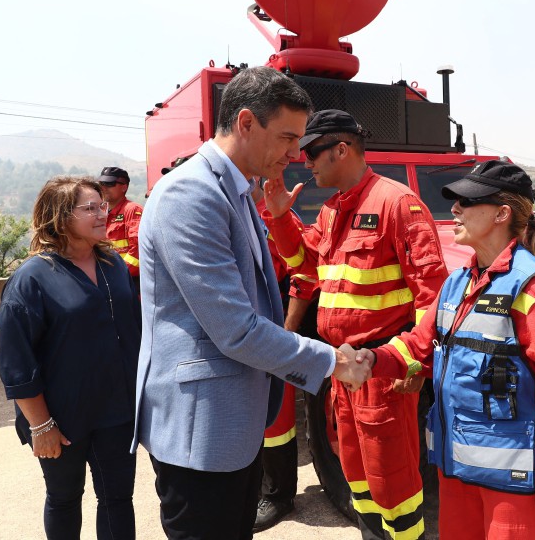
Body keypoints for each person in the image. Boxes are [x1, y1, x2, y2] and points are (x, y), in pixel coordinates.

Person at [132, 66, 371, 540]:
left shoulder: (237, 189)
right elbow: (236, 329)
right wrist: (331, 362)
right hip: (201, 432)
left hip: (234, 423)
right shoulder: (191, 195)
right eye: (286, 137)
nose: (294, 153)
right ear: (245, 122)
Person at [356, 160, 535, 540]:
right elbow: (417, 346)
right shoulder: (455, 285)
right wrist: (369, 360)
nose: (454, 209)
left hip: (514, 486)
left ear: (502, 214)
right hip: (456, 475)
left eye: (467, 202)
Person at [262, 109, 448, 540]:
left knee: (394, 485)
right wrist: (280, 217)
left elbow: (432, 298)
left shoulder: (398, 203)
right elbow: (305, 265)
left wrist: (417, 367)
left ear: (341, 150)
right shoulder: (330, 212)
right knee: (358, 480)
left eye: (311, 151)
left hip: (382, 371)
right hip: (343, 372)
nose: (304, 161)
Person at [0, 176, 142, 539]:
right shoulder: (32, 279)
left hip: (117, 413)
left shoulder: (114, 267)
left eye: (102, 205)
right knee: (64, 500)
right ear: (60, 218)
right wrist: (41, 424)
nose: (101, 214)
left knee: (117, 499)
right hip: (60, 419)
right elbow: (17, 363)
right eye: (89, 208)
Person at [250, 177, 317, 531]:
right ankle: (254, 488)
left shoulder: (273, 217)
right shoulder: (225, 212)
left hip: (272, 325)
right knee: (249, 415)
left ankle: (278, 496)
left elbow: (304, 274)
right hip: (236, 327)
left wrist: (287, 330)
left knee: (276, 419)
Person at [97, 166, 142, 292]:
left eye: (109, 183)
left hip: (129, 282)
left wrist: (120, 273)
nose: (104, 188)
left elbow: (138, 250)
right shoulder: (101, 212)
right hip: (108, 280)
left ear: (124, 187)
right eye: (101, 183)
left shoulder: (132, 210)